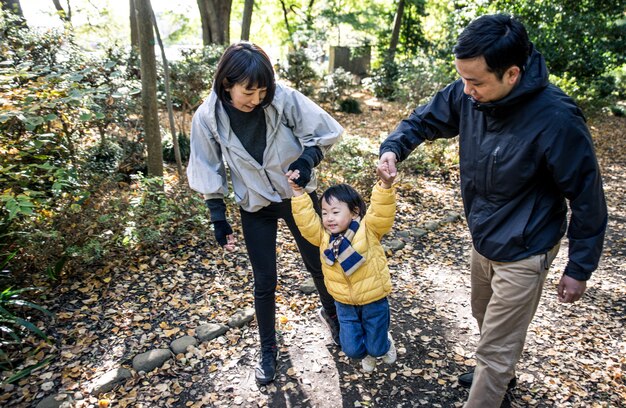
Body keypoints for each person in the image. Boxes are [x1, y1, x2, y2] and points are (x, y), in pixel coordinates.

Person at [377, 14, 607, 407]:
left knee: (495, 350)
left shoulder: (557, 119)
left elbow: (586, 196)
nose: (466, 90)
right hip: (483, 237)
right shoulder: (469, 94)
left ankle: (491, 385)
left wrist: (579, 267)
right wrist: (393, 147)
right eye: (463, 79)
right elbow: (423, 120)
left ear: (512, 74)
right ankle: (500, 375)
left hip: (526, 247)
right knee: (484, 316)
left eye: (477, 81)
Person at [187, 41, 344, 386]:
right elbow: (205, 164)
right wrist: (217, 214)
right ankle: (268, 348)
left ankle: (332, 316)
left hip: (297, 194)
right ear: (227, 83)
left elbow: (326, 131)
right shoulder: (208, 117)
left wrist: (306, 160)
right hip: (254, 203)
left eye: (262, 90)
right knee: (264, 281)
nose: (256, 99)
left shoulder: (283, 98)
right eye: (248, 91)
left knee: (318, 262)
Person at [287, 163, 398, 372]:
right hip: (344, 302)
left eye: (335, 212)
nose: (329, 218)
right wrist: (298, 192)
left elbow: (381, 213)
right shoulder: (323, 237)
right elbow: (306, 221)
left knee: (377, 346)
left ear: (354, 212)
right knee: (353, 349)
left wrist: (385, 185)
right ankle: (368, 350)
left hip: (373, 299)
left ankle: (383, 344)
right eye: (325, 212)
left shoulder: (368, 229)